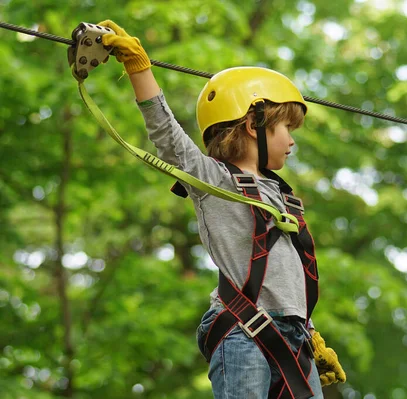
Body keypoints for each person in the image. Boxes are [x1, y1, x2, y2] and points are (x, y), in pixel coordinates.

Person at [97, 20, 345, 398]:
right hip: (243, 333)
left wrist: (308, 327)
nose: (292, 141)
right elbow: (168, 137)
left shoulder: (284, 196)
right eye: (286, 129)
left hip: (295, 340)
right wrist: (139, 68)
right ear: (253, 124)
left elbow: (284, 274)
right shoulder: (214, 180)